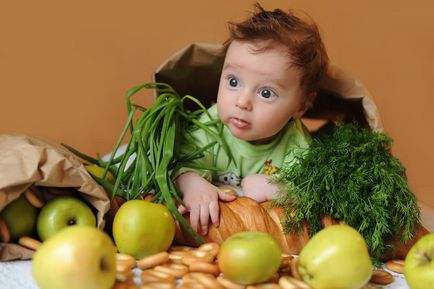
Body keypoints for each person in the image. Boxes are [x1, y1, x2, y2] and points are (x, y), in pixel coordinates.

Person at [175, 3, 329, 236]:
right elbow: (178, 160)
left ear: (301, 106)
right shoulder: (209, 125)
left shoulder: (297, 146)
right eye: (233, 82)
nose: (242, 102)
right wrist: (191, 183)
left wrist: (280, 189)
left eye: (266, 93)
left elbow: (318, 194)